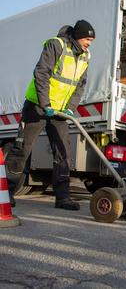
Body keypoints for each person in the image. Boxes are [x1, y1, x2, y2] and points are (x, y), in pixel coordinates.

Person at [6, 20, 95, 210]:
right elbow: (41, 73)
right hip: (38, 106)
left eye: (91, 40)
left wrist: (71, 107)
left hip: (60, 111)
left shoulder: (86, 56)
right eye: (88, 39)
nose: (89, 43)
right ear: (79, 36)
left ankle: (62, 198)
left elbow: (80, 85)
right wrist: (45, 103)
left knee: (63, 152)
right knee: (22, 149)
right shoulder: (56, 45)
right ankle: (6, 194)